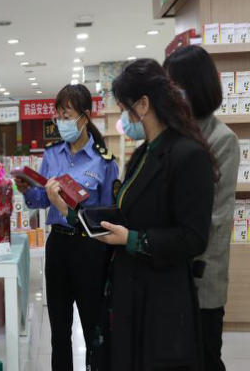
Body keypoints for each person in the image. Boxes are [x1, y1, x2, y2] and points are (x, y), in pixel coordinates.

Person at [81, 59, 217, 371]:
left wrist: (132, 239)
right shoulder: (144, 152)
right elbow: (134, 209)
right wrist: (87, 216)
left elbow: (193, 237)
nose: (125, 119)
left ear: (143, 104)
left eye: (125, 109)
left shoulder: (188, 155)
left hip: (162, 297)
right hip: (129, 292)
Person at [14, 84, 119, 370]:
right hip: (58, 246)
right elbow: (39, 200)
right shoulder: (52, 155)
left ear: (85, 116)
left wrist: (72, 209)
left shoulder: (103, 161)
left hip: (90, 248)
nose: (62, 122)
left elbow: (109, 215)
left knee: (92, 326)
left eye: (67, 115)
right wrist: (27, 190)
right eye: (58, 116)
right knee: (59, 331)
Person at [164, 46, 240, 371]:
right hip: (168, 274)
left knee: (205, 358)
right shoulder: (171, 135)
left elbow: (213, 219)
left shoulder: (222, 140)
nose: (170, 94)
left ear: (195, 85)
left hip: (201, 278)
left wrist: (161, 240)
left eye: (174, 85)